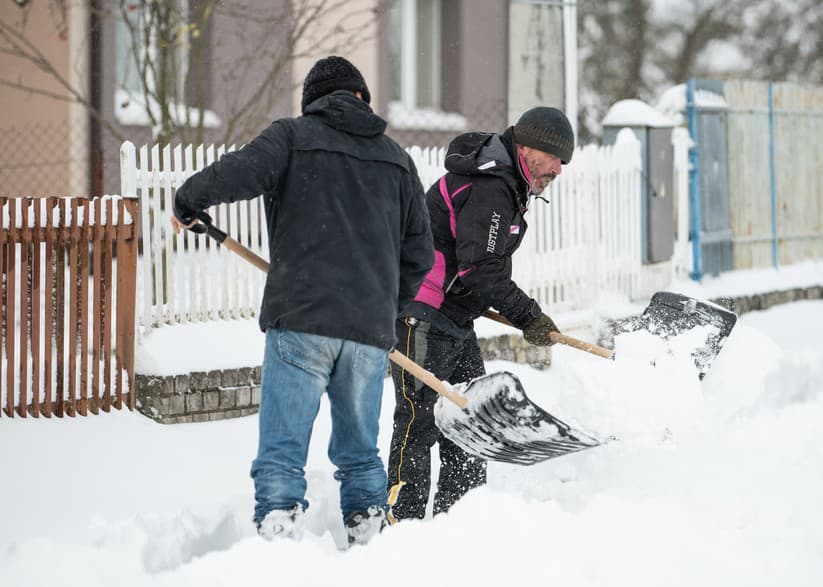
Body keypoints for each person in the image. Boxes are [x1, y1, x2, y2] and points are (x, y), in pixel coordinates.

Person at [171, 56, 434, 546]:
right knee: (360, 451)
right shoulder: (397, 159)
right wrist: (383, 303)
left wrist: (189, 199)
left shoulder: (292, 137)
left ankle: (278, 531)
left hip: (303, 319)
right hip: (366, 334)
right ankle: (370, 535)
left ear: (313, 101)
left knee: (282, 450)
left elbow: (239, 172)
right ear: (361, 97)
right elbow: (421, 254)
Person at [387, 107, 575, 521]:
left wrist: (514, 310)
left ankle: (462, 523)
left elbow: (478, 268)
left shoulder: (508, 184)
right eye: (555, 158)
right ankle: (402, 526)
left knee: (469, 422)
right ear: (526, 148)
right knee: (418, 426)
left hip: (455, 318)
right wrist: (529, 317)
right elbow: (480, 269)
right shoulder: (491, 186)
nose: (559, 170)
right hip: (425, 313)